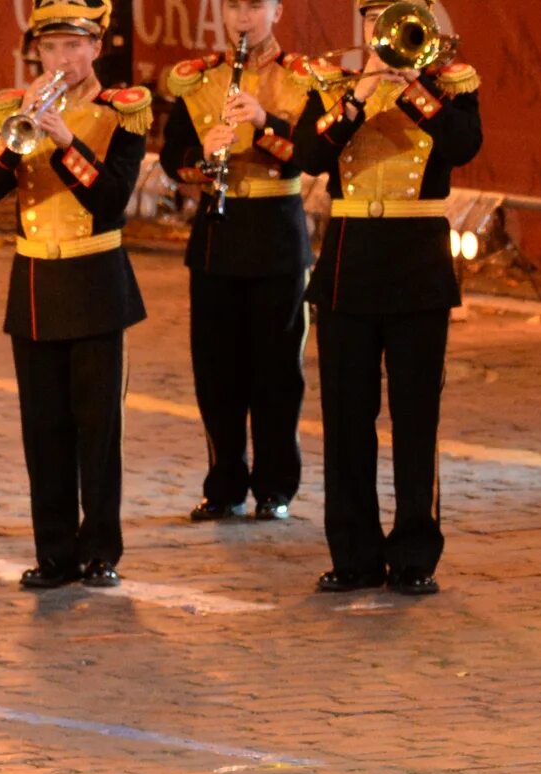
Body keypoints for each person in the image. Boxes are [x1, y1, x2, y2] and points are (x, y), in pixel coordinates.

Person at [293, 0, 478, 595]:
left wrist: (415, 90)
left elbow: (463, 145)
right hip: (350, 262)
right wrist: (360, 94)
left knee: (416, 417)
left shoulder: (453, 84)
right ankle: (354, 553)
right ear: (364, 24)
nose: (383, 32)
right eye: (375, 19)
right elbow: (311, 157)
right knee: (347, 418)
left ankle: (415, 554)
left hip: (418, 263)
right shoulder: (332, 85)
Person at [0, 0, 146, 589]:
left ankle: (100, 551)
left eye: (75, 46)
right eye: (50, 49)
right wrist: (14, 131)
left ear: (96, 49)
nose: (63, 59)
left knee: (98, 428)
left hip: (96, 279)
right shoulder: (15, 108)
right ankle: (54, 553)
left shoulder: (122, 112)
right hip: (36, 284)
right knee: (42, 429)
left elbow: (111, 198)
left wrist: (66, 140)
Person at [159, 0, 313, 522]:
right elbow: (170, 157)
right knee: (216, 371)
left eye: (254, 6)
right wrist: (203, 158)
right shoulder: (199, 80)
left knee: (276, 371)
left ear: (276, 9)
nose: (242, 18)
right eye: (232, 7)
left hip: (276, 236)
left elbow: (312, 152)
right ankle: (224, 482)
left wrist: (264, 120)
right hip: (216, 237)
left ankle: (275, 486)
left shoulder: (302, 78)